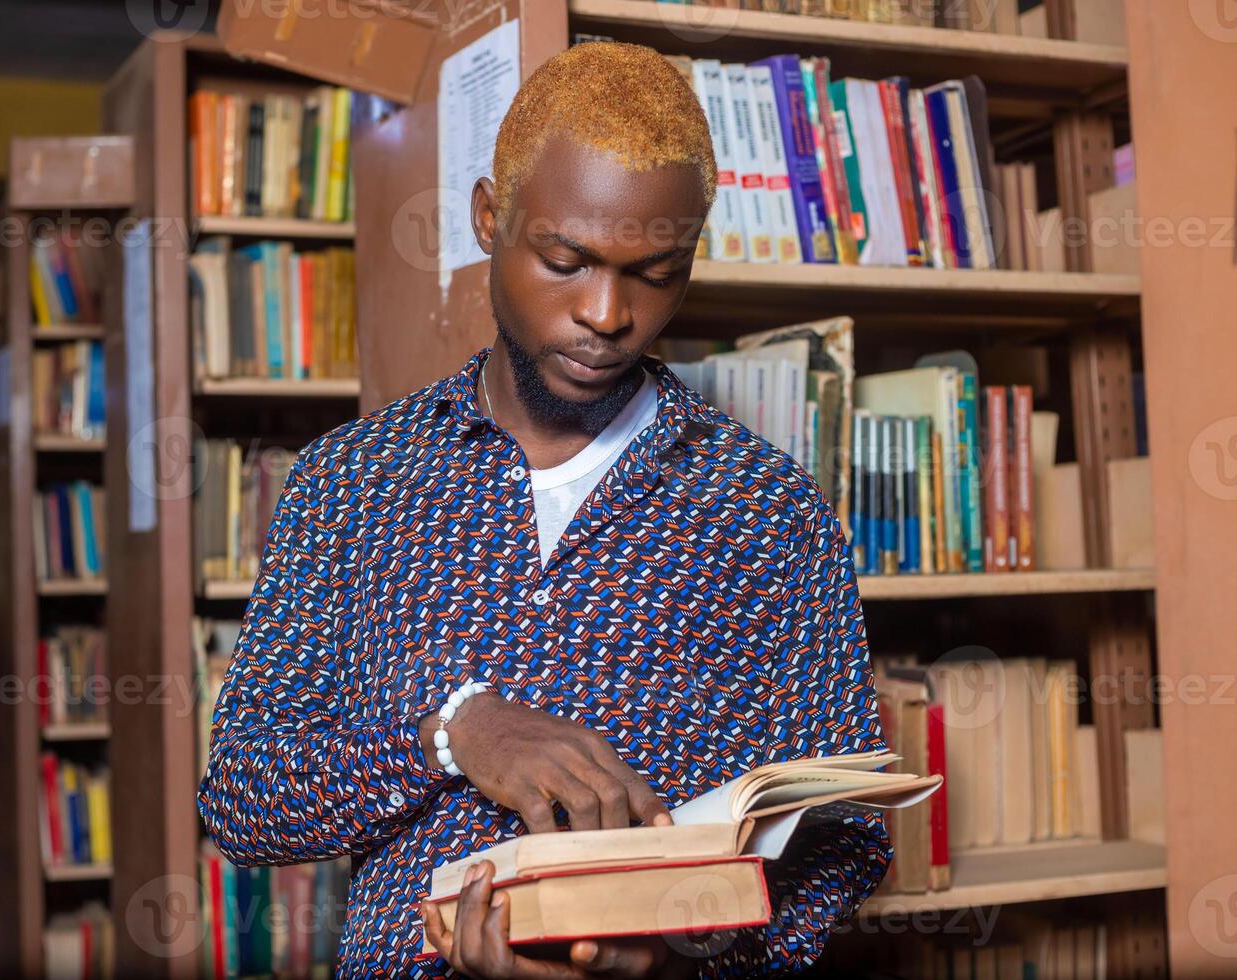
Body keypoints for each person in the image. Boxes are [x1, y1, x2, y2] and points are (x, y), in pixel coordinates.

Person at [199, 41, 889, 978]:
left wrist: (675, 959)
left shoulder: (768, 510)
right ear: (491, 218)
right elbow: (242, 801)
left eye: (656, 272)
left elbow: (845, 842)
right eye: (565, 259)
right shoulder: (348, 485)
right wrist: (450, 732)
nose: (607, 313)